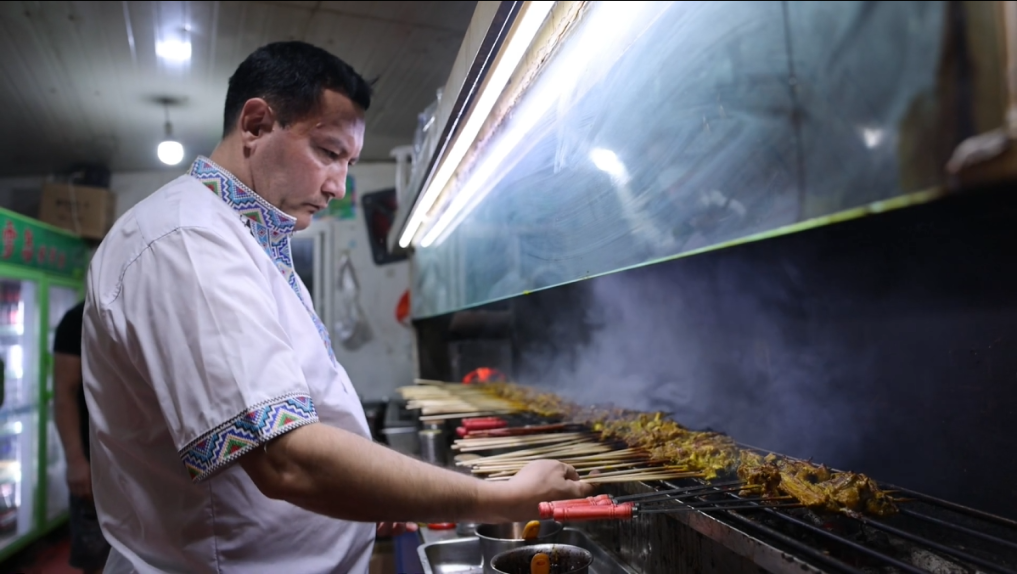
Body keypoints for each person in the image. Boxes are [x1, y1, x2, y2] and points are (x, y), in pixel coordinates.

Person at [81, 41, 592, 574]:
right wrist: (500, 498)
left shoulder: (249, 240)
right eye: (328, 152)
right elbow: (286, 461)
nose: (338, 186)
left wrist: (371, 496)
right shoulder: (186, 240)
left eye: (348, 162)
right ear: (256, 124)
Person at [53, 300, 110, 574]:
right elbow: (64, 393)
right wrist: (75, 461)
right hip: (94, 461)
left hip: (140, 460)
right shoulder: (79, 318)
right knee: (95, 556)